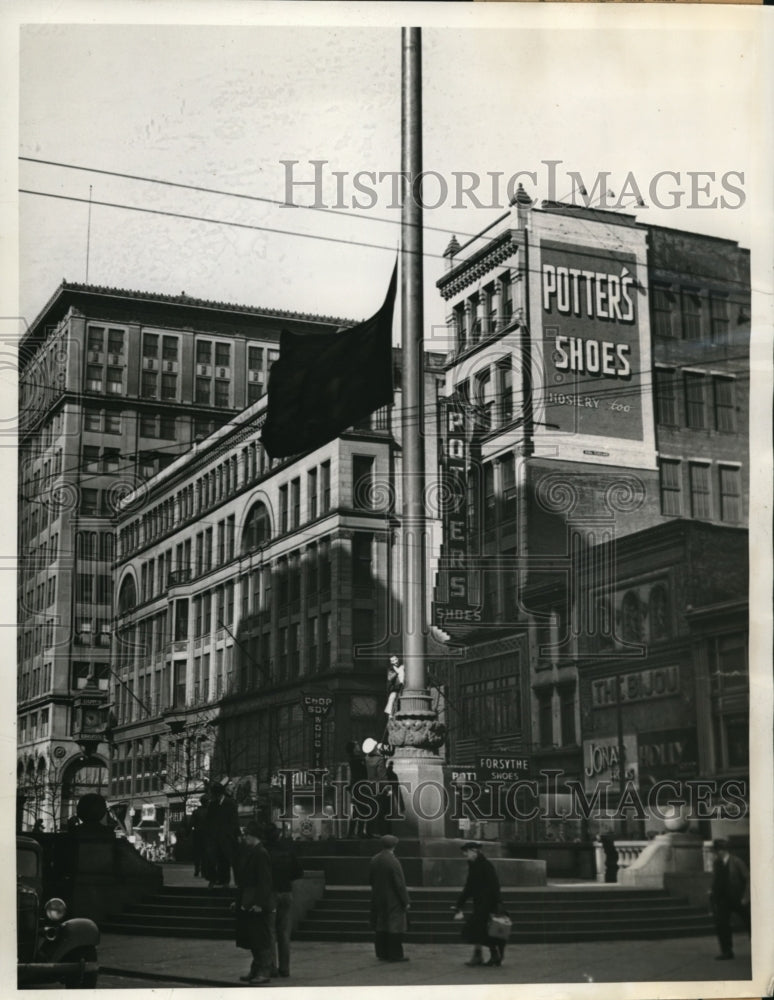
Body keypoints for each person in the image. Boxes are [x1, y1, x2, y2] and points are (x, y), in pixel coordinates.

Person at [234, 820, 275, 985]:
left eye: (247, 835)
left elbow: (265, 880)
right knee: (253, 938)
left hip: (256, 901)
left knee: (260, 938)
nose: (245, 838)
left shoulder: (260, 853)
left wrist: (259, 903)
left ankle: (263, 971)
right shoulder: (255, 852)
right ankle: (256, 969)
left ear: (253, 836)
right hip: (249, 900)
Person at [453, 841, 504, 967]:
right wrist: (459, 904)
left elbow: (494, 885)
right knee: (480, 930)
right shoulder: (474, 865)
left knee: (479, 929)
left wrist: (498, 903)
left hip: (487, 904)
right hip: (480, 904)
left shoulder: (485, 865)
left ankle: (483, 955)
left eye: (466, 852)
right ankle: (488, 955)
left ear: (474, 851)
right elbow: (469, 887)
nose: (465, 855)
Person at [264, 822, 304, 978]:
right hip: (286, 891)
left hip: (271, 893)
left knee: (270, 932)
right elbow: (298, 872)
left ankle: (271, 967)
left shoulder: (264, 852)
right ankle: (285, 968)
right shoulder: (288, 851)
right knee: (284, 933)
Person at [369, 834, 410, 962]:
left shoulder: (374, 859)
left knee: (381, 925)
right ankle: (395, 954)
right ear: (394, 846)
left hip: (378, 897)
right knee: (395, 927)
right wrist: (406, 901)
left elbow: (371, 879)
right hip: (393, 899)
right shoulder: (394, 861)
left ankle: (382, 952)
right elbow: (399, 883)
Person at [709, 838, 750, 960]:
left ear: (722, 851)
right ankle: (727, 951)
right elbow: (716, 879)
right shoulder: (717, 863)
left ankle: (761, 946)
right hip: (722, 899)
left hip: (738, 898)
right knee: (721, 924)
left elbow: (748, 879)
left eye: (717, 851)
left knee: (750, 922)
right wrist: (712, 891)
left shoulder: (736, 862)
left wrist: (746, 897)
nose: (716, 854)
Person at [205, 782, 241, 888]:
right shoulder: (212, 804)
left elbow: (235, 820)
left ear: (218, 794)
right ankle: (217, 879)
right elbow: (209, 820)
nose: (212, 796)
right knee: (215, 858)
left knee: (225, 859)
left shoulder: (230, 803)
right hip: (215, 837)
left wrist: (236, 835)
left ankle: (225, 881)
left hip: (227, 836)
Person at [362, 737, 391, 837]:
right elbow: (382, 775)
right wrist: (388, 788)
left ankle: (370, 831)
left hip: (368, 787)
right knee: (380, 811)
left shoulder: (366, 758)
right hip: (378, 788)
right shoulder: (379, 759)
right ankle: (379, 832)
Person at [345, 740, 369, 838]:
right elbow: (364, 772)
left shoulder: (355, 760)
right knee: (362, 810)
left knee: (357, 810)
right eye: (357, 746)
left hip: (357, 787)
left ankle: (353, 833)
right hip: (360, 788)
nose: (359, 747)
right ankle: (358, 832)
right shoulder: (357, 760)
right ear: (354, 749)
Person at [190, 795, 209, 877]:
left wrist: (188, 833)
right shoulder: (210, 812)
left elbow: (191, 824)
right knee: (205, 853)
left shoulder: (195, 812)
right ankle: (204, 871)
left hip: (197, 834)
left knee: (197, 853)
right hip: (207, 835)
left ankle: (197, 869)